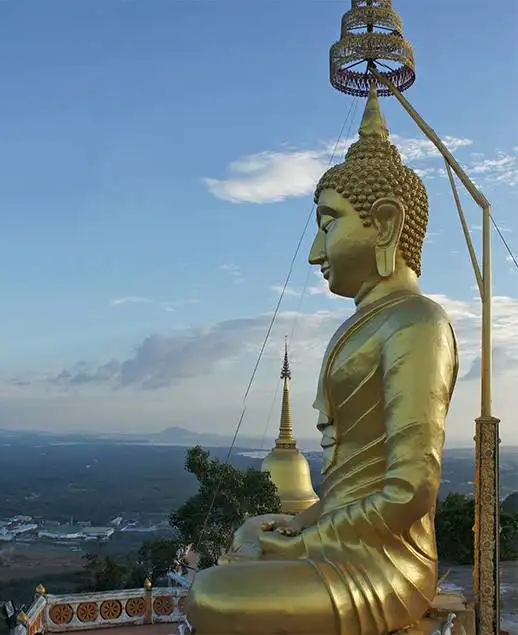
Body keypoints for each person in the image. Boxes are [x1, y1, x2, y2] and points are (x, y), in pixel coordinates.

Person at [184, 84, 459, 635]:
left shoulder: (418, 323)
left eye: (328, 223)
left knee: (212, 595)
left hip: (387, 566)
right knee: (245, 540)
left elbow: (410, 490)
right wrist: (299, 523)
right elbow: (343, 486)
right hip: (341, 538)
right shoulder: (364, 324)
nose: (315, 252)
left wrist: (308, 540)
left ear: (385, 223)